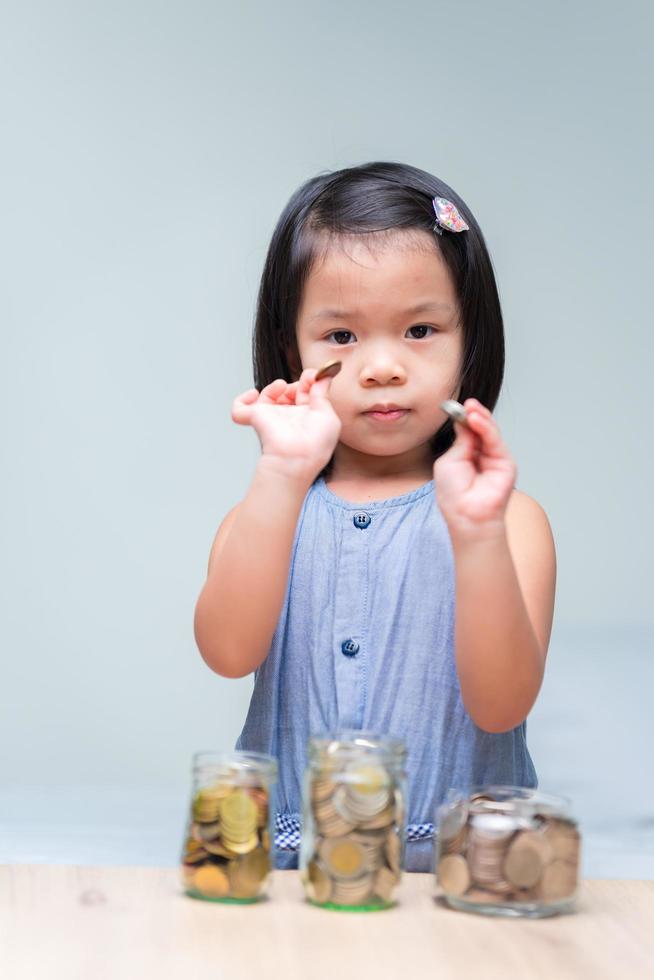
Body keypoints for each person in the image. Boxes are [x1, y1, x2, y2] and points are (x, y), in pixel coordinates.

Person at [193, 161, 556, 872]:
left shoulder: (511, 522)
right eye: (341, 336)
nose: (383, 367)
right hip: (287, 869)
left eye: (420, 329)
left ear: (469, 339)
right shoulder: (270, 509)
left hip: (461, 874)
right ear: (290, 344)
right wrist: (281, 472)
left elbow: (501, 705)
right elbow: (226, 652)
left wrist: (476, 535)